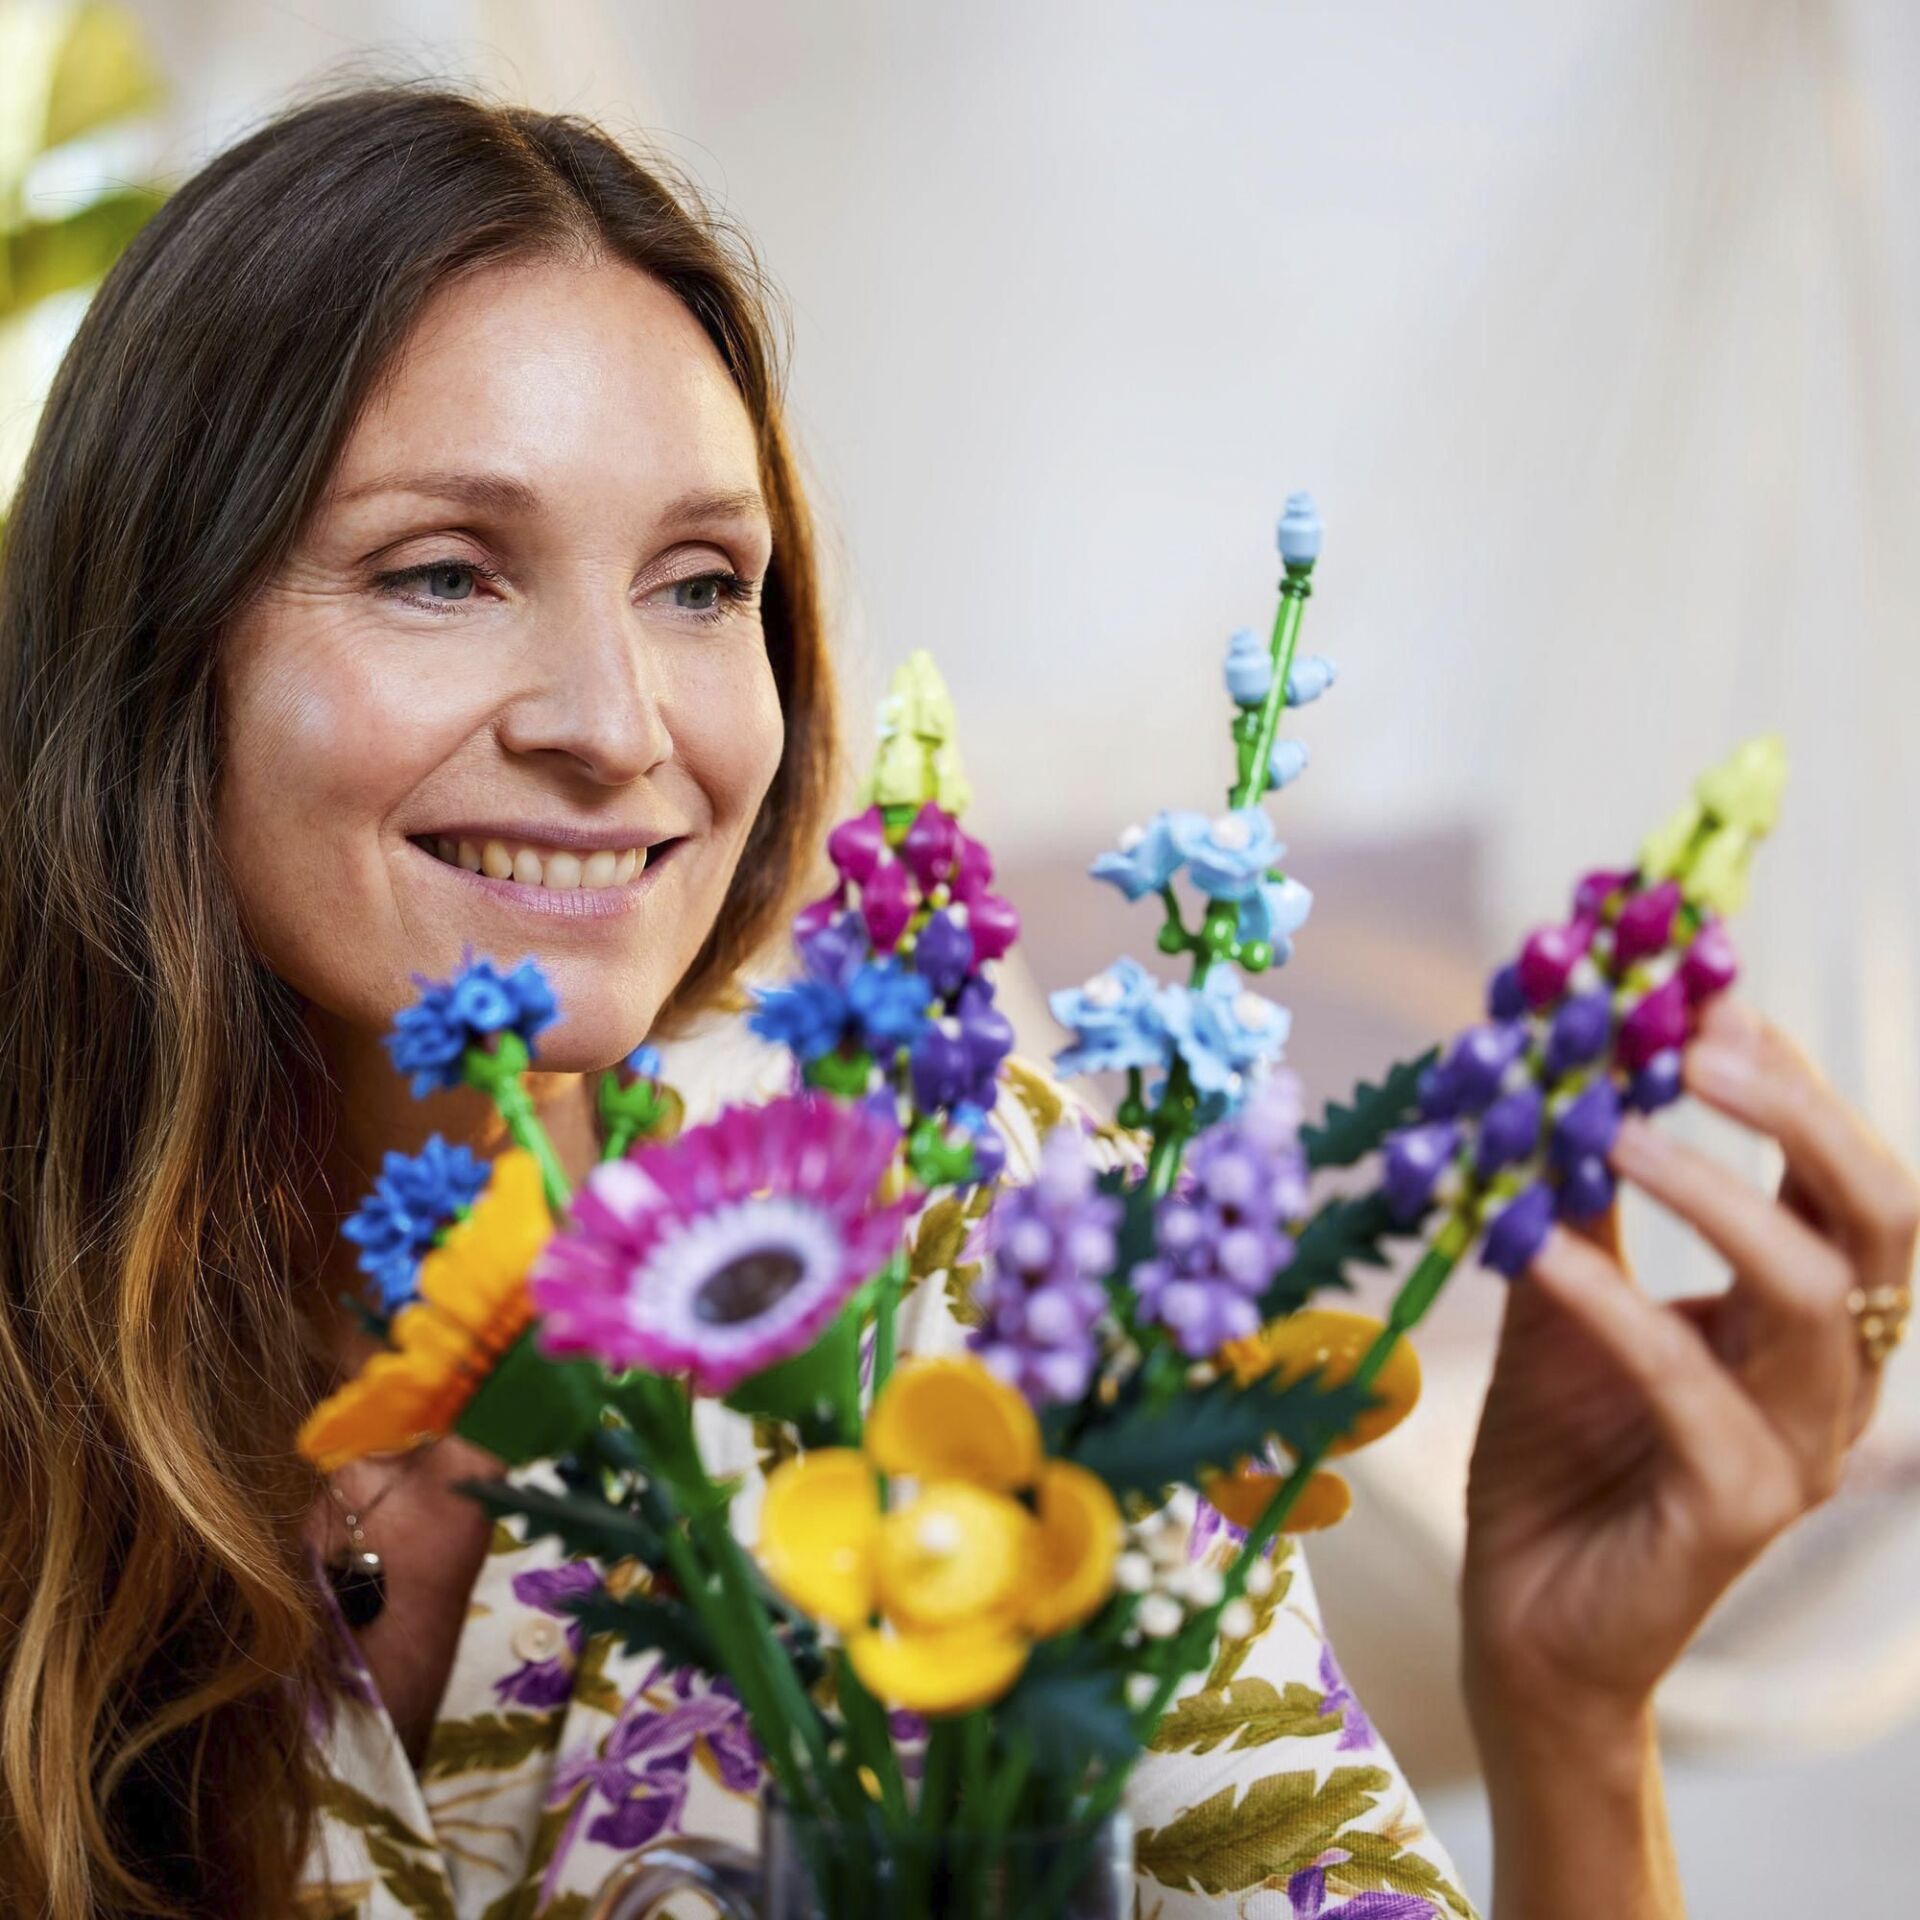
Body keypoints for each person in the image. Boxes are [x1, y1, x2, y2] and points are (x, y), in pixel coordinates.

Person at [0, 83, 1910, 1920]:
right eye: (441, 572)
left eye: (698, 584)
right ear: (153, 642)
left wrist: (1572, 1715)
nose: (617, 729)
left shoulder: (970, 1231)